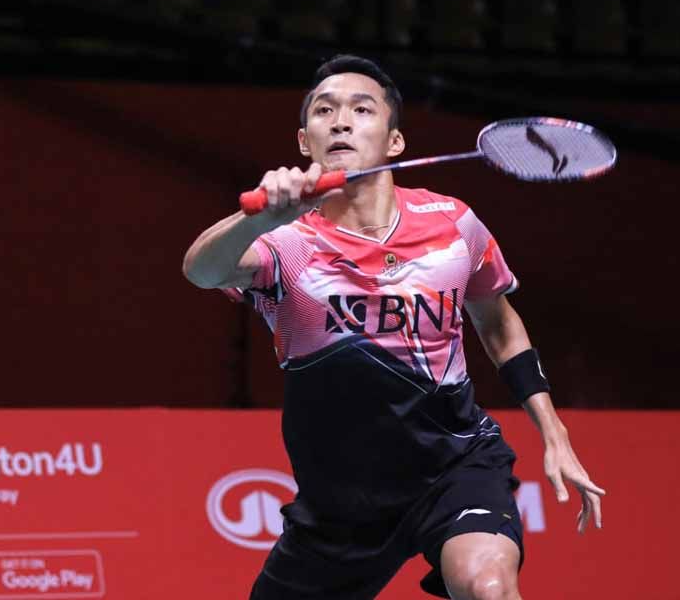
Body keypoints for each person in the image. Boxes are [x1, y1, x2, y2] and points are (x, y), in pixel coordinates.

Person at [183, 54, 604, 600]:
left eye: (361, 109)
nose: (340, 121)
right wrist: (259, 218)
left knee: (488, 585)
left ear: (395, 141)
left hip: (454, 466)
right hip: (340, 505)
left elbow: (499, 325)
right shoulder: (284, 244)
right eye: (324, 110)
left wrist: (554, 432)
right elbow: (201, 270)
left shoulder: (454, 225)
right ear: (305, 141)